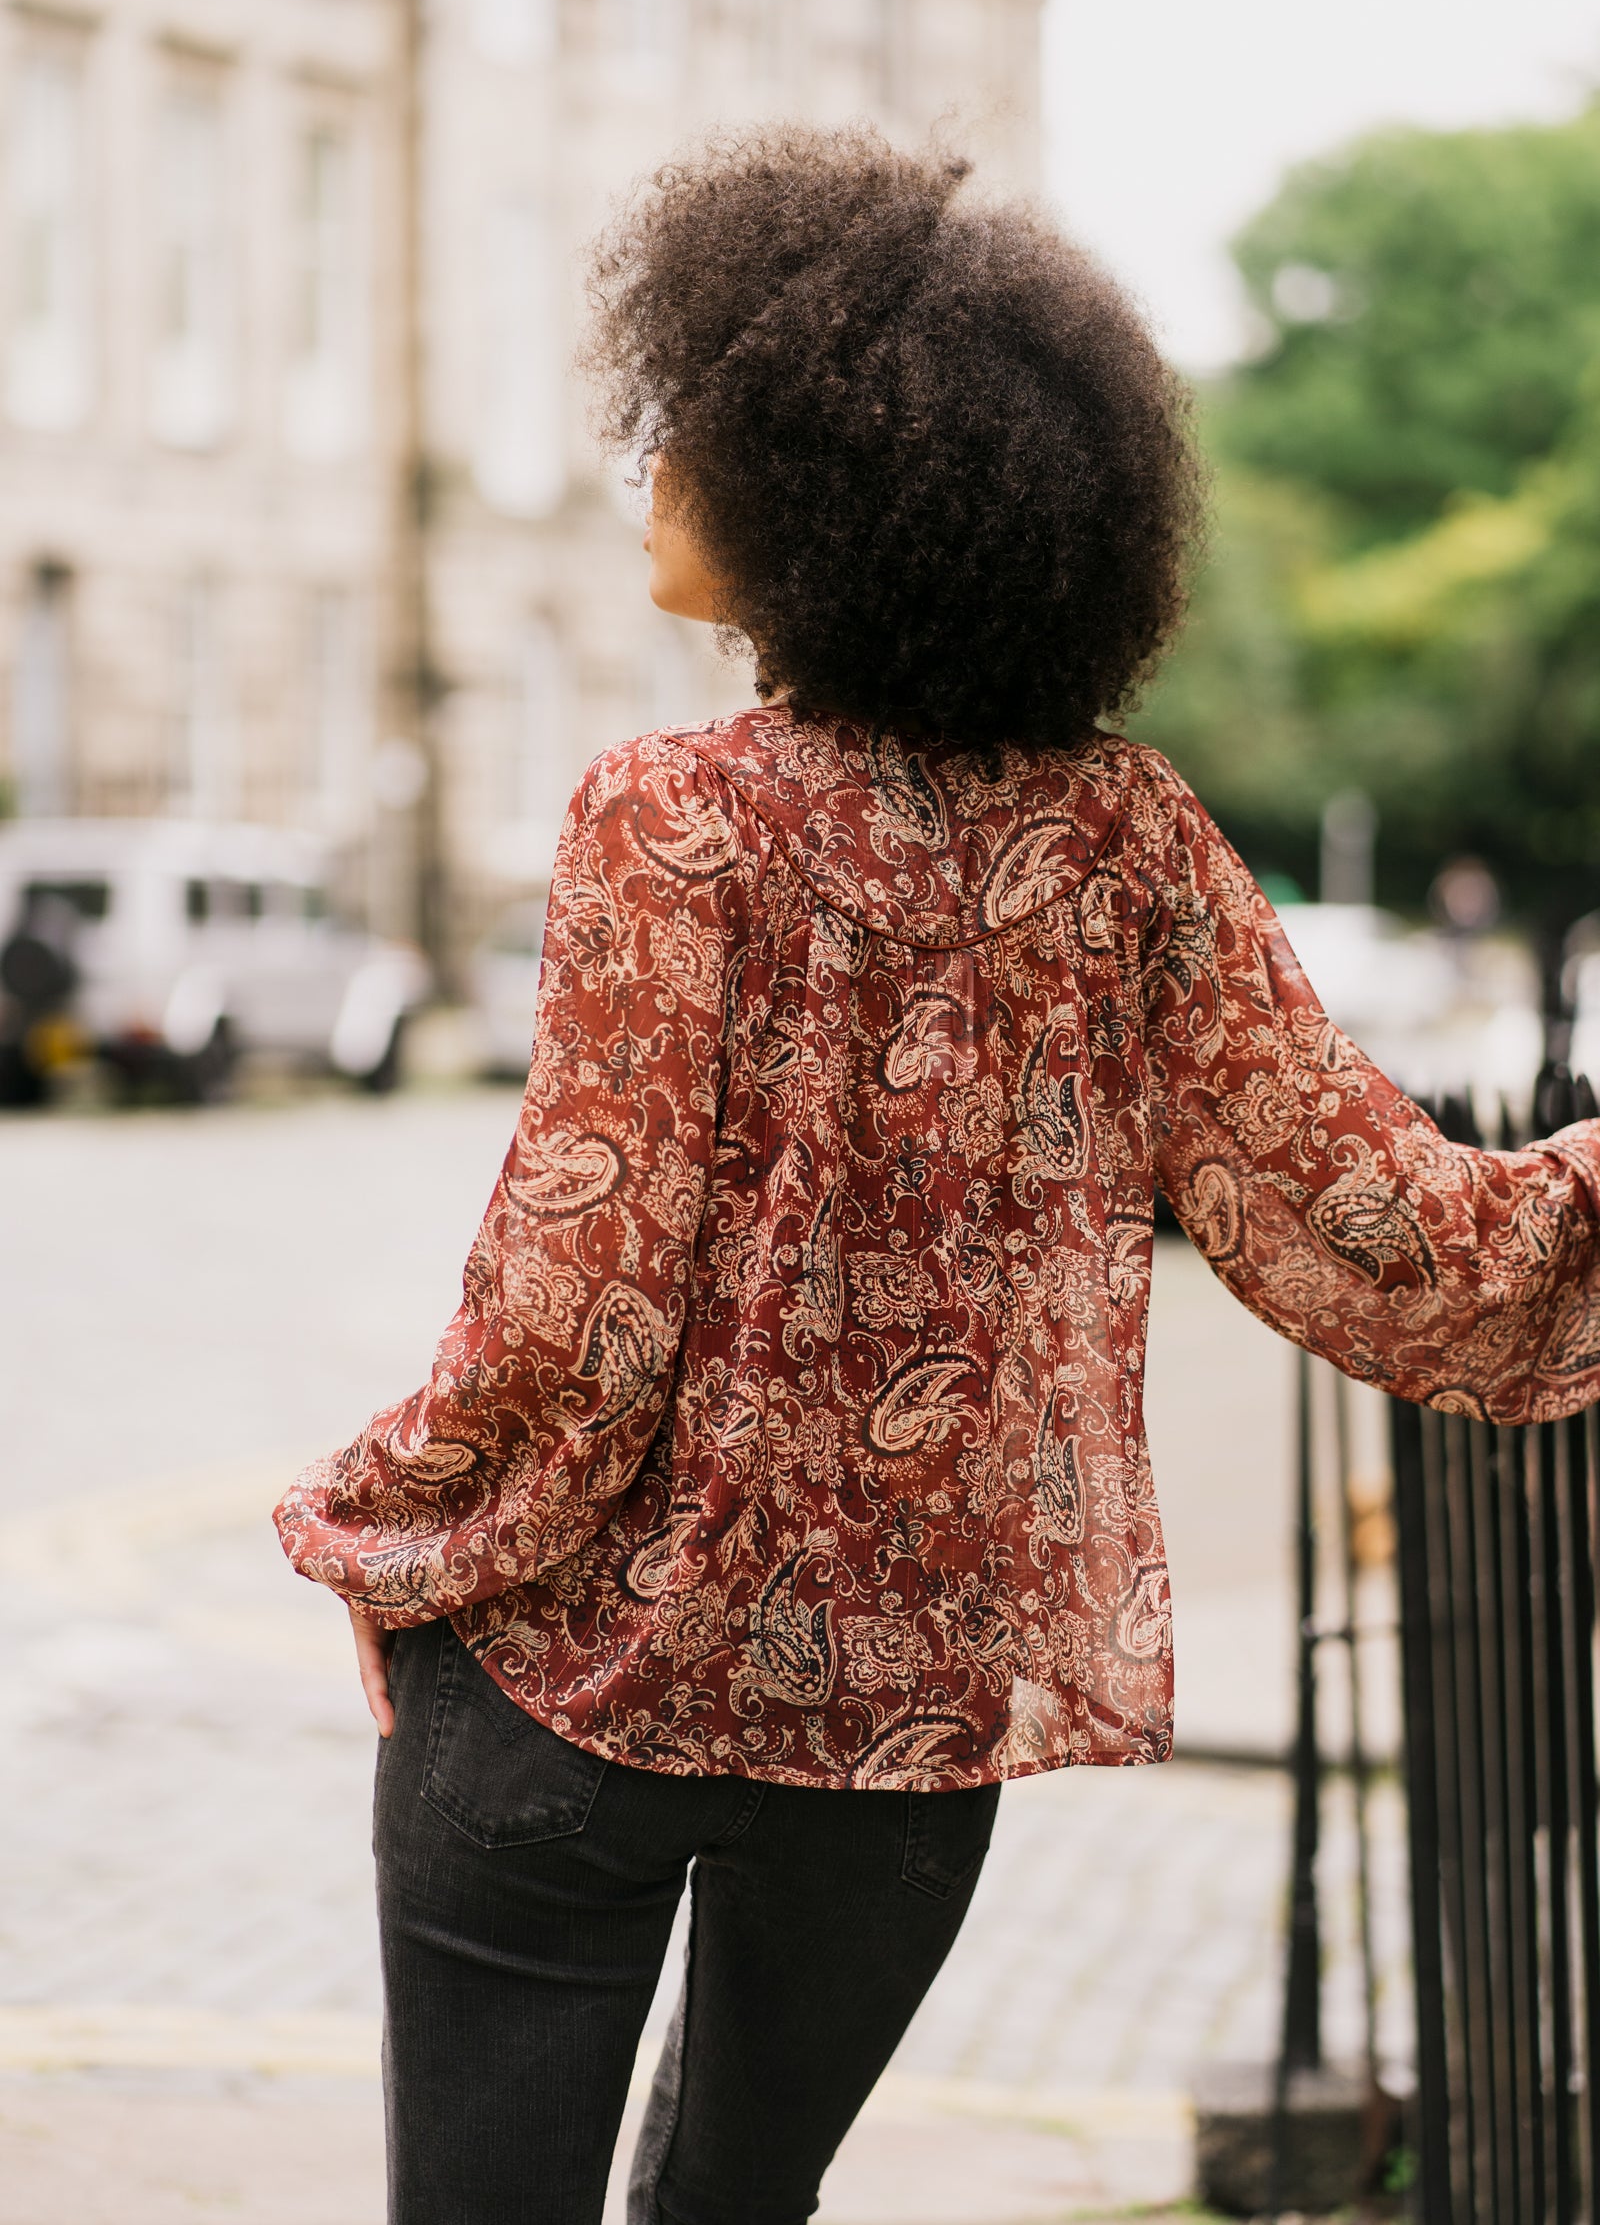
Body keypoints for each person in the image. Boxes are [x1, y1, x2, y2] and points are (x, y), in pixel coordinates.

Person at [275, 126, 1600, 2225]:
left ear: (817, 491)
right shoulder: (1127, 845)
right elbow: (1392, 1237)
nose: (651, 474)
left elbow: (573, 1297)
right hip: (896, 1741)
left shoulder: (665, 816)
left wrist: (393, 1533)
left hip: (559, 1710)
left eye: (686, 433)